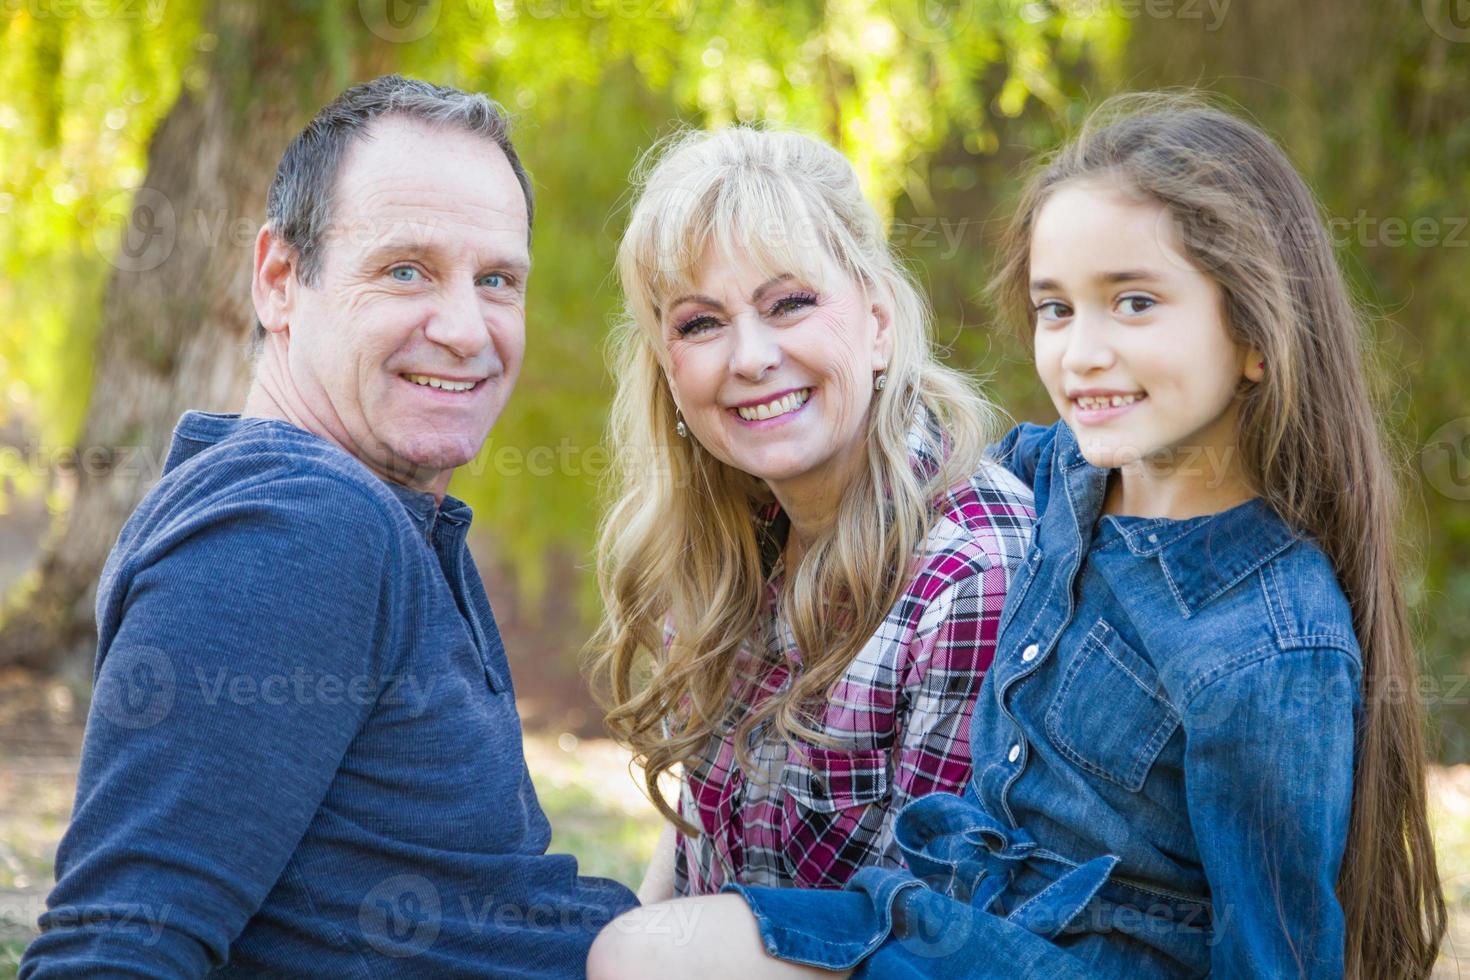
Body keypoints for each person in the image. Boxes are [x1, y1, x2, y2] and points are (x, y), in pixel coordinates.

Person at [588, 93, 1447, 978]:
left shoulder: (1263, 644)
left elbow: (1278, 954)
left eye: (1136, 302)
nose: (1081, 352)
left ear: (1258, 334)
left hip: (1045, 957)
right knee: (631, 949)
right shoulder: (1060, 478)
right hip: (958, 928)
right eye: (1056, 309)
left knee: (645, 954)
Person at [21, 74, 636, 979]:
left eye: (497, 279)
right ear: (280, 279)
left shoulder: (362, 516)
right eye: (405, 270)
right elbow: (114, 952)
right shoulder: (294, 528)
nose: (467, 329)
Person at [588, 126, 1034, 904]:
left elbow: (917, 937)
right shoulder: (732, 545)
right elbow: (695, 840)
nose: (750, 357)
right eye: (700, 323)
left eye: (789, 304)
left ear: (878, 322)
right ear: (668, 365)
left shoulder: (971, 573)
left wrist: (648, 953)